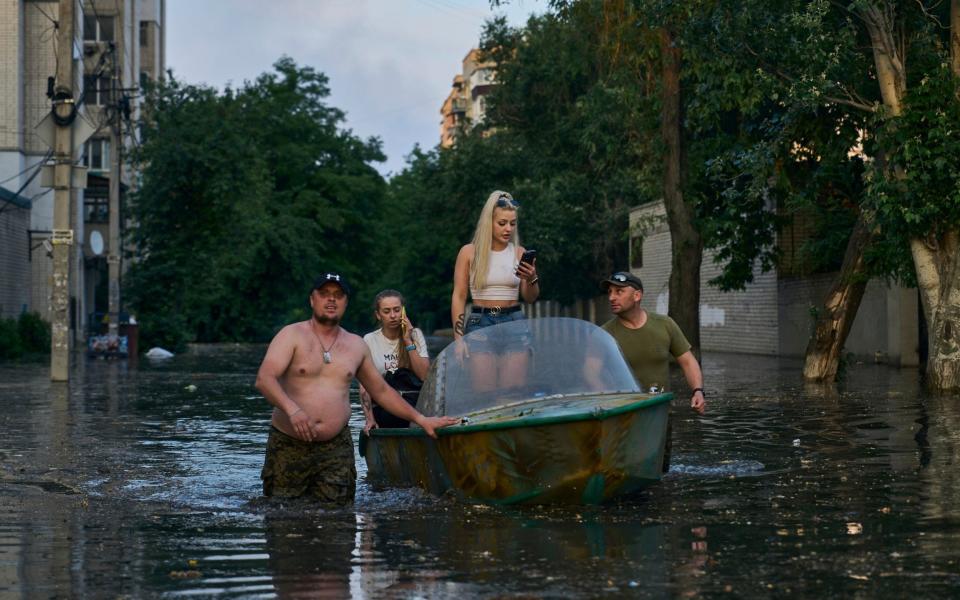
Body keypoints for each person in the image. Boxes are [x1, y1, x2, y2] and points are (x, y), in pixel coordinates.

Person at [255, 272, 459, 504]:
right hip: (289, 443)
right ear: (312, 300)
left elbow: (381, 392)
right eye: (324, 294)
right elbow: (265, 379)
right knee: (283, 519)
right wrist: (293, 410)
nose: (331, 299)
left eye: (338, 295)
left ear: (345, 303)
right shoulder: (291, 335)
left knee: (339, 523)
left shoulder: (355, 345)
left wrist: (422, 419)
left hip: (336, 449)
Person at [451, 190, 540, 393]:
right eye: (502, 223)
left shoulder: (519, 253)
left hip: (514, 322)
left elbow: (530, 297)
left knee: (513, 394)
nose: (508, 229)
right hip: (480, 323)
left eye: (512, 223)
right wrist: (458, 339)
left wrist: (532, 278)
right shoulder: (469, 253)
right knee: (485, 395)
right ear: (488, 222)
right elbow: (459, 296)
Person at [599, 271, 706, 415]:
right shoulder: (604, 334)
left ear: (637, 296)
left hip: (661, 416)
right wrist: (609, 403)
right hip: (623, 416)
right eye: (610, 292)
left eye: (619, 292)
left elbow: (688, 362)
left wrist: (698, 391)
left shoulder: (665, 325)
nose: (612, 297)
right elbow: (590, 373)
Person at [359, 289, 429, 433]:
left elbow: (424, 375)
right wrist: (369, 419)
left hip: (414, 404)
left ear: (403, 311)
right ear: (378, 315)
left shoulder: (416, 335)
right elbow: (365, 386)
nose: (393, 316)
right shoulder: (369, 340)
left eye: (397, 310)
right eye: (386, 311)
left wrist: (408, 341)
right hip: (385, 408)